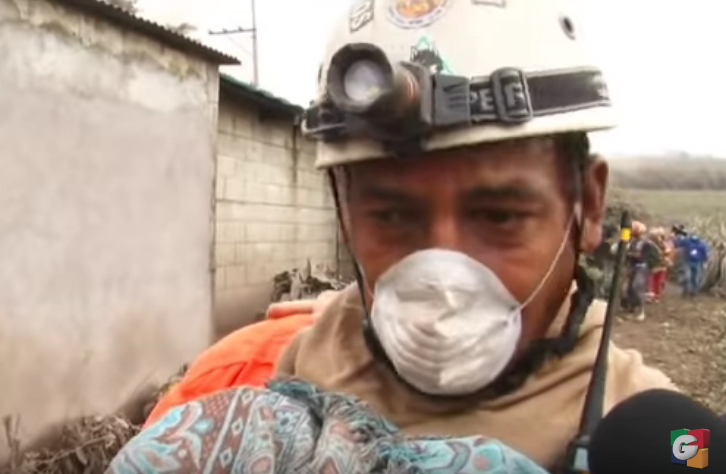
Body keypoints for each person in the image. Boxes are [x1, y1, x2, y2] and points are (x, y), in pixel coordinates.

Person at [147, 2, 677, 470]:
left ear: (586, 206)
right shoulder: (233, 382)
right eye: (393, 217)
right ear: (343, 210)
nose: (442, 274)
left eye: (499, 217)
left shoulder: (667, 440)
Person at [646, 227, 669, 303]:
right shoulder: (663, 244)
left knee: (652, 281)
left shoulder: (651, 244)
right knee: (656, 281)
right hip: (660, 264)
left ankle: (653, 296)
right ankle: (655, 296)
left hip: (655, 265)